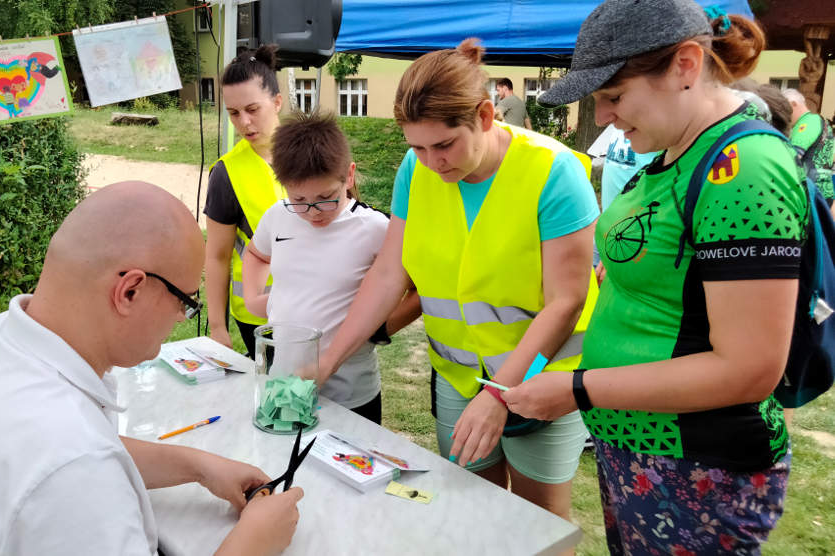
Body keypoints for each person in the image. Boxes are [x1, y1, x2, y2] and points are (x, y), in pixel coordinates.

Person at [511, 1, 804, 553]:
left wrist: (578, 388)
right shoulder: (680, 147)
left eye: (614, 96)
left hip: (694, 462)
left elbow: (750, 368)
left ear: (686, 66)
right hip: (644, 446)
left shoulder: (742, 169)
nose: (603, 118)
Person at [0, 182, 303, 555]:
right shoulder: (74, 469)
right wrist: (254, 543)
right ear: (129, 291)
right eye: (186, 301)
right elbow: (72, 461)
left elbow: (78, 451)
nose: (182, 317)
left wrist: (199, 467)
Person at [319, 39, 600, 522]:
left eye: (444, 145)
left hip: (542, 377)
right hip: (458, 376)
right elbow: (390, 273)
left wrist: (501, 393)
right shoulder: (417, 169)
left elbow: (566, 302)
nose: (431, 162)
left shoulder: (553, 172)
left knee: (539, 521)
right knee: (474, 512)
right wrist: (324, 363)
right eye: (417, 147)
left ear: (486, 116)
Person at [241, 111, 420, 424]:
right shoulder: (278, 216)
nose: (313, 212)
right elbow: (256, 253)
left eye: (326, 198)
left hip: (351, 397)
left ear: (348, 176)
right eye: (299, 199)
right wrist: (256, 299)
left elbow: (421, 291)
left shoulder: (375, 228)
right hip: (285, 384)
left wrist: (379, 330)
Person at [205, 45, 286, 359]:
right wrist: (216, 326)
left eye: (253, 109)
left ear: (277, 102)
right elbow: (217, 256)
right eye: (234, 113)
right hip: (258, 318)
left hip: (316, 306)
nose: (244, 122)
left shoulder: (310, 152)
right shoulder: (227, 173)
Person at [784, 87, 835, 205]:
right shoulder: (821, 121)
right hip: (824, 191)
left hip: (810, 192)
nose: (784, 115)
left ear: (793, 104)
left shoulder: (807, 123)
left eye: (785, 109)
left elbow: (793, 157)